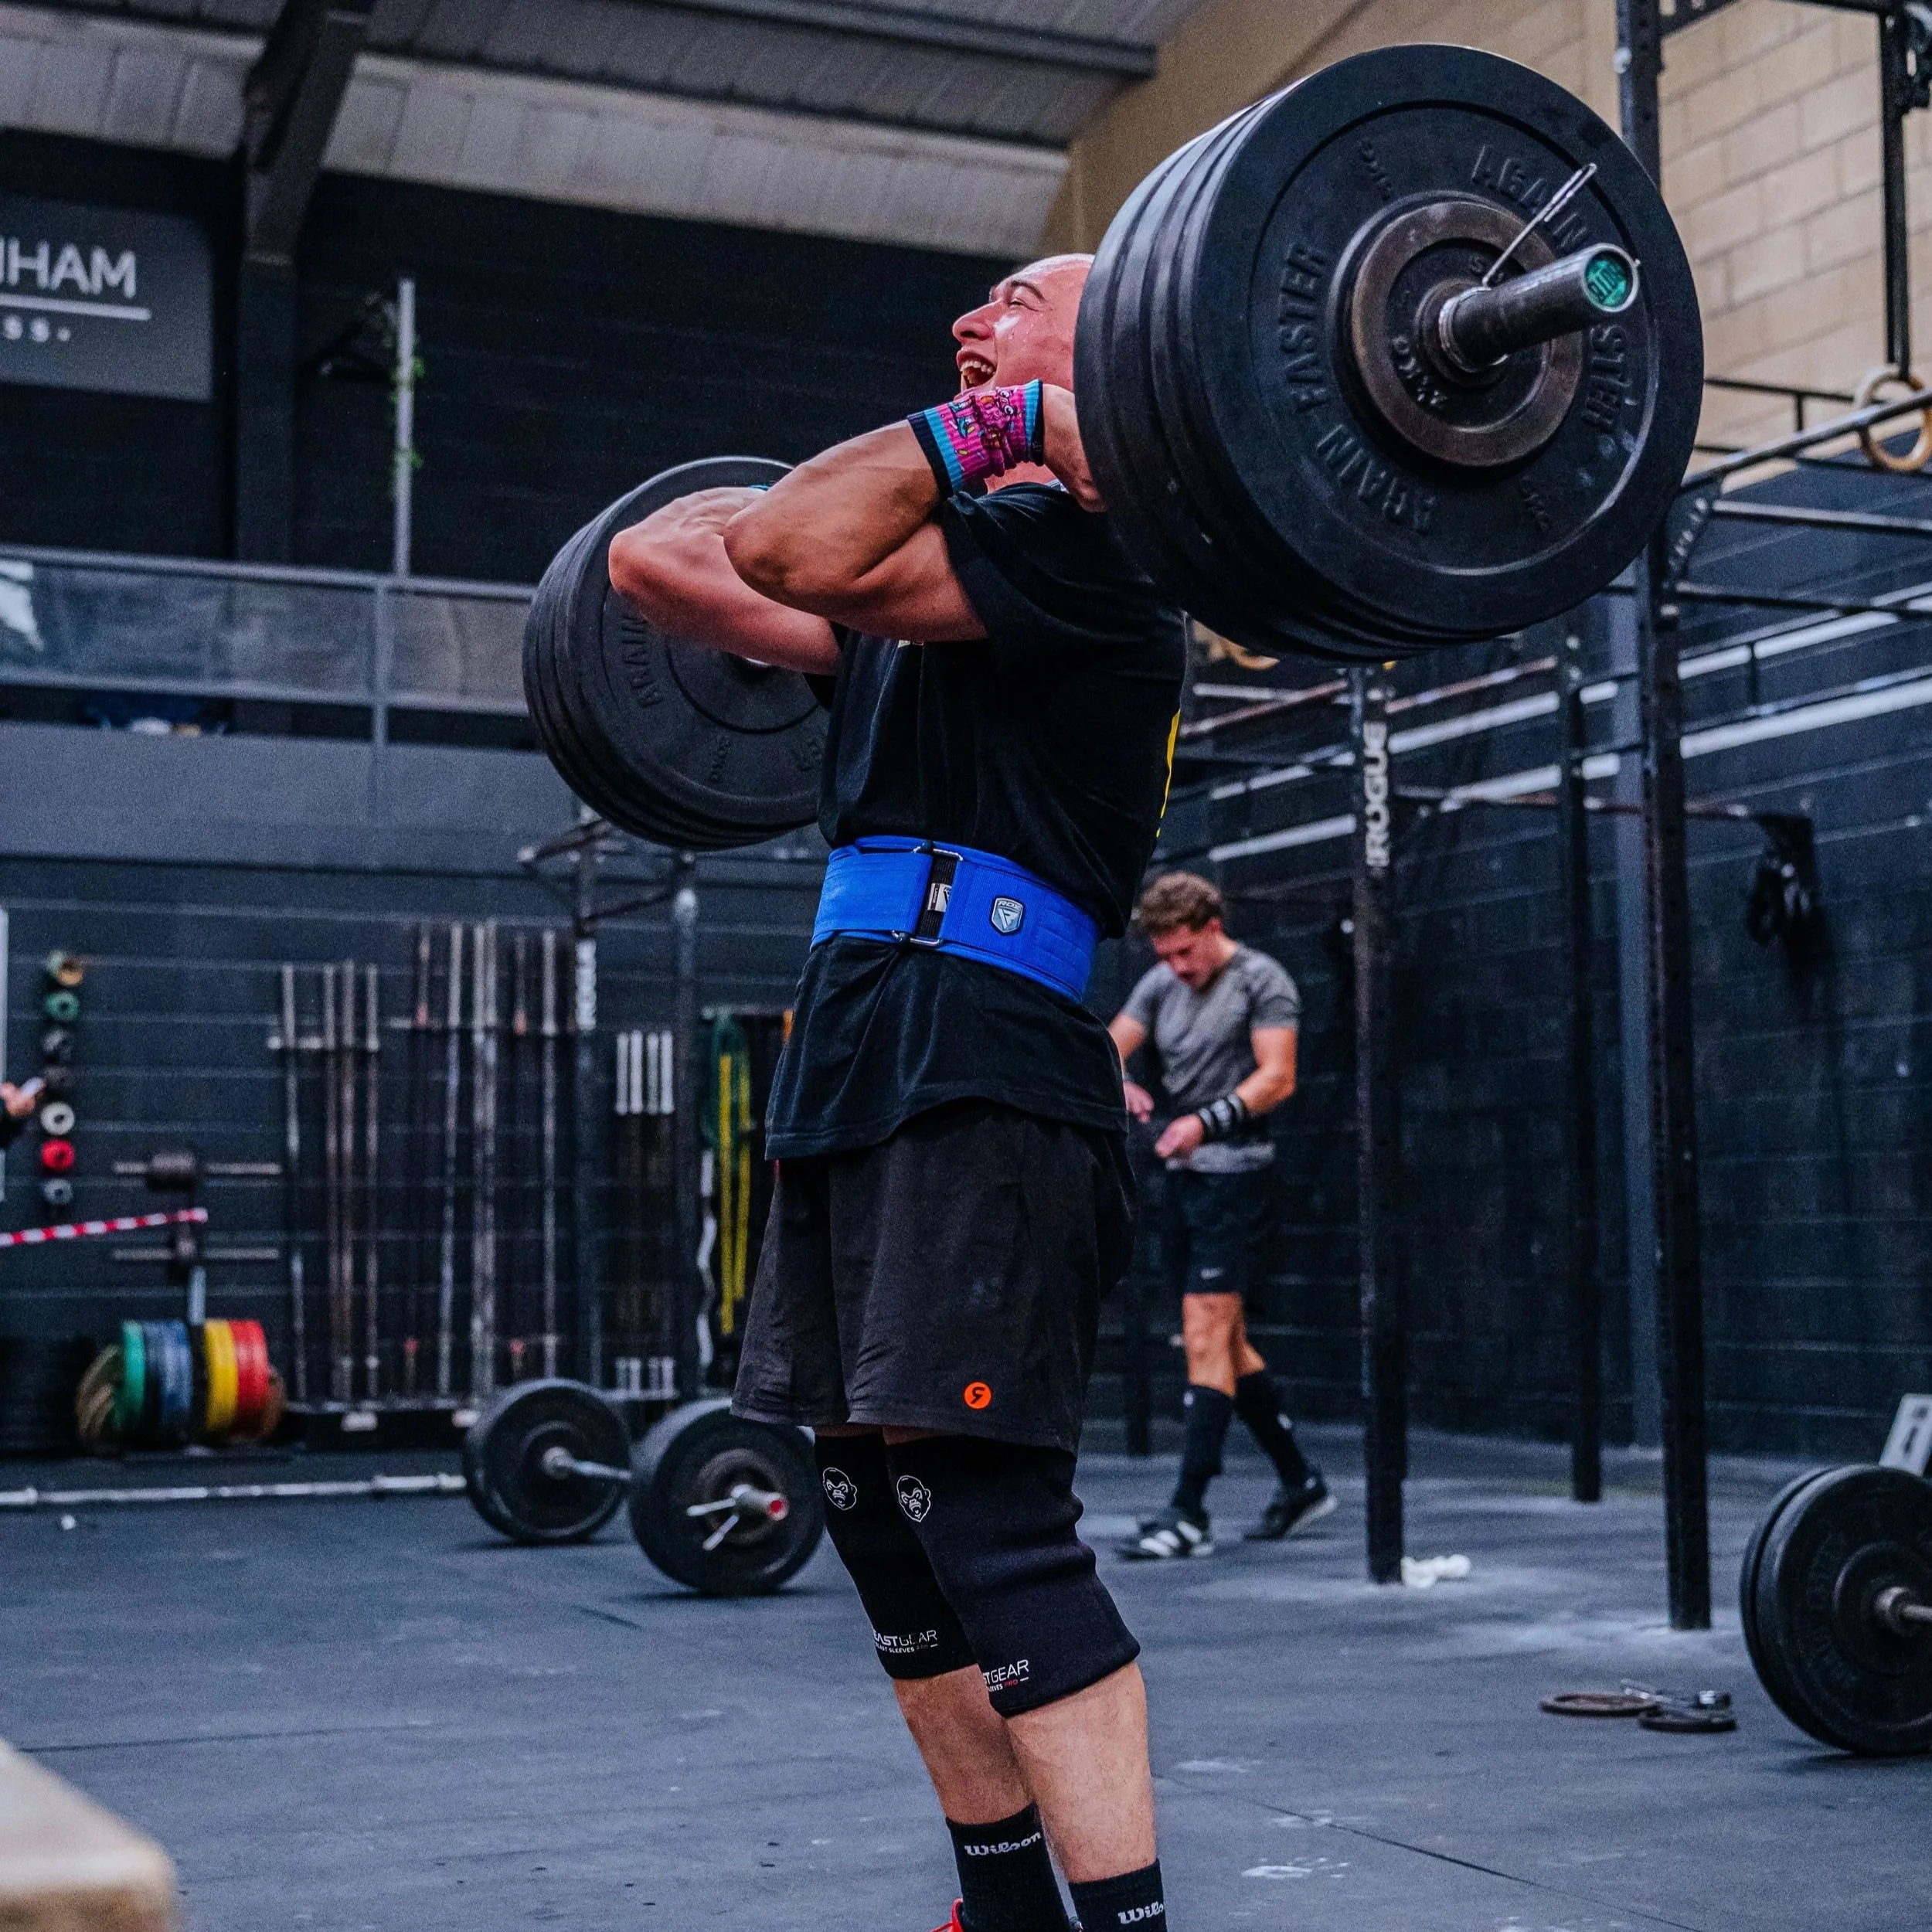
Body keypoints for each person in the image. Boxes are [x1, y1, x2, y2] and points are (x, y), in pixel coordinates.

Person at [609, 255, 1187, 1932]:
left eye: (1013, 301)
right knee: (869, 1502)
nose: (967, 320)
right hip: (860, 1037)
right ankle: (995, 1906)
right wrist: (997, 420)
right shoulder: (904, 600)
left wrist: (1014, 431)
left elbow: (785, 547)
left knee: (984, 1513)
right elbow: (657, 561)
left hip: (987, 1053)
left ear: (1132, 343)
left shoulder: (1099, 564)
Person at [1107, 872, 1332, 1560]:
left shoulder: (1264, 980)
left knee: (1206, 1333)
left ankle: (1188, 1510)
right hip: (1184, 1179)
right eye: (1165, 957)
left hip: (1239, 1181)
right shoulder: (1161, 985)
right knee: (1224, 1345)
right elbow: (1108, 1044)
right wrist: (1122, 1083)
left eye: (1185, 953)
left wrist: (1203, 1123)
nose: (1177, 968)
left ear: (1212, 927)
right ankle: (1300, 1480)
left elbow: (1278, 1077)